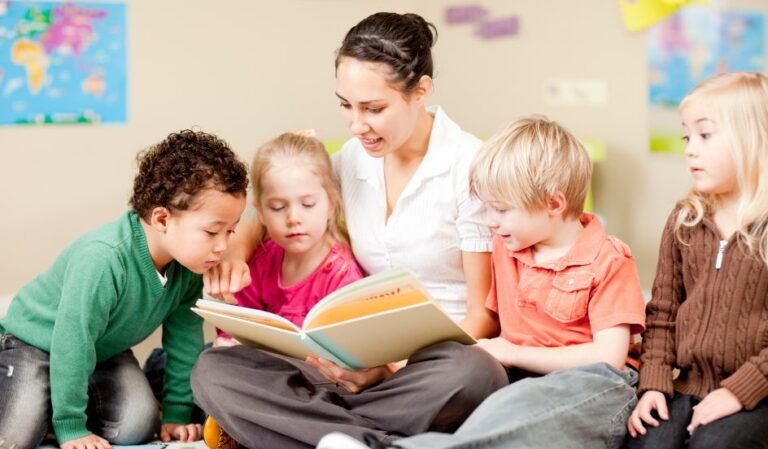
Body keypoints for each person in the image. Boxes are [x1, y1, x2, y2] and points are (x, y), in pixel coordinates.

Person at [191, 12, 507, 449]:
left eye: (373, 109)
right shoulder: (349, 161)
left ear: (420, 91)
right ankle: (365, 439)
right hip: (341, 366)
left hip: (425, 372)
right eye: (346, 105)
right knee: (214, 370)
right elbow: (273, 213)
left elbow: (483, 315)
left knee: (477, 373)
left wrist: (390, 367)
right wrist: (235, 253)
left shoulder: (470, 167)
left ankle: (307, 429)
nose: (357, 125)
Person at [317, 116, 647, 449]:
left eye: (500, 210)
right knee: (495, 404)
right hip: (521, 382)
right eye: (486, 208)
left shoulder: (609, 258)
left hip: (594, 385)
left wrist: (512, 352)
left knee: (520, 411)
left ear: (553, 203)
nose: (489, 221)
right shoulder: (507, 247)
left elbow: (609, 357)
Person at [0, 130, 249, 449]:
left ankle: (52, 400)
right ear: (162, 219)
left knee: (137, 426)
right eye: (212, 232)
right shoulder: (103, 259)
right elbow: (73, 340)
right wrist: (71, 426)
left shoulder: (190, 267)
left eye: (230, 232)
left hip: (102, 351)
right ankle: (48, 403)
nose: (223, 246)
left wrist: (176, 413)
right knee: (13, 437)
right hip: (35, 343)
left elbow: (185, 340)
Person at [625, 72, 768, 449]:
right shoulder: (684, 219)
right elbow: (662, 314)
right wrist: (653, 384)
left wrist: (738, 391)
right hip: (684, 386)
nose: (690, 149)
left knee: (713, 444)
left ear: (752, 139)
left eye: (705, 135)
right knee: (648, 442)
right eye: (687, 137)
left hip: (758, 392)